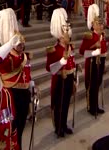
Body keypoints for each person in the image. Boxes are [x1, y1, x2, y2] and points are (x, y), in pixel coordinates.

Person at [0, 8, 32, 147]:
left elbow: (26, 69)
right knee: (12, 128)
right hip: (11, 95)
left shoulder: (22, 55)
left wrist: (31, 82)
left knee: (21, 127)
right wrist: (9, 44)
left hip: (23, 93)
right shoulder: (5, 57)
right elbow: (5, 64)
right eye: (20, 44)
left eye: (22, 44)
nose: (22, 46)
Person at [46, 8, 77, 137]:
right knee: (59, 104)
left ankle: (64, 124)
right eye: (65, 33)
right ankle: (58, 127)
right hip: (59, 79)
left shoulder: (70, 47)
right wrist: (61, 63)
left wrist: (75, 76)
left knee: (66, 104)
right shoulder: (54, 49)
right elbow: (49, 68)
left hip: (69, 77)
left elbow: (72, 62)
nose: (67, 36)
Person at [79, 4, 107, 116]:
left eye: (101, 23)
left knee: (98, 84)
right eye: (98, 24)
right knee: (92, 85)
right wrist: (93, 46)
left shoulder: (103, 36)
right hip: (91, 64)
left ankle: (96, 105)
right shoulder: (89, 36)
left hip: (100, 62)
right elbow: (82, 51)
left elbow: (104, 51)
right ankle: (91, 106)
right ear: (93, 25)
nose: (101, 26)